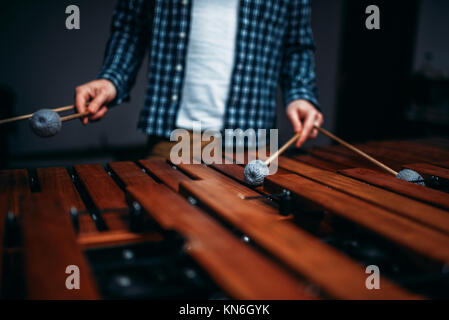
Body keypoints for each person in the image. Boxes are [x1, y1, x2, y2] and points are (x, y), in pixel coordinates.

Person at [75, 0, 323, 159]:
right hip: (174, 139)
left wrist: (300, 94)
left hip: (252, 140)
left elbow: (296, 44)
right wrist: (112, 79)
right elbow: (131, 27)